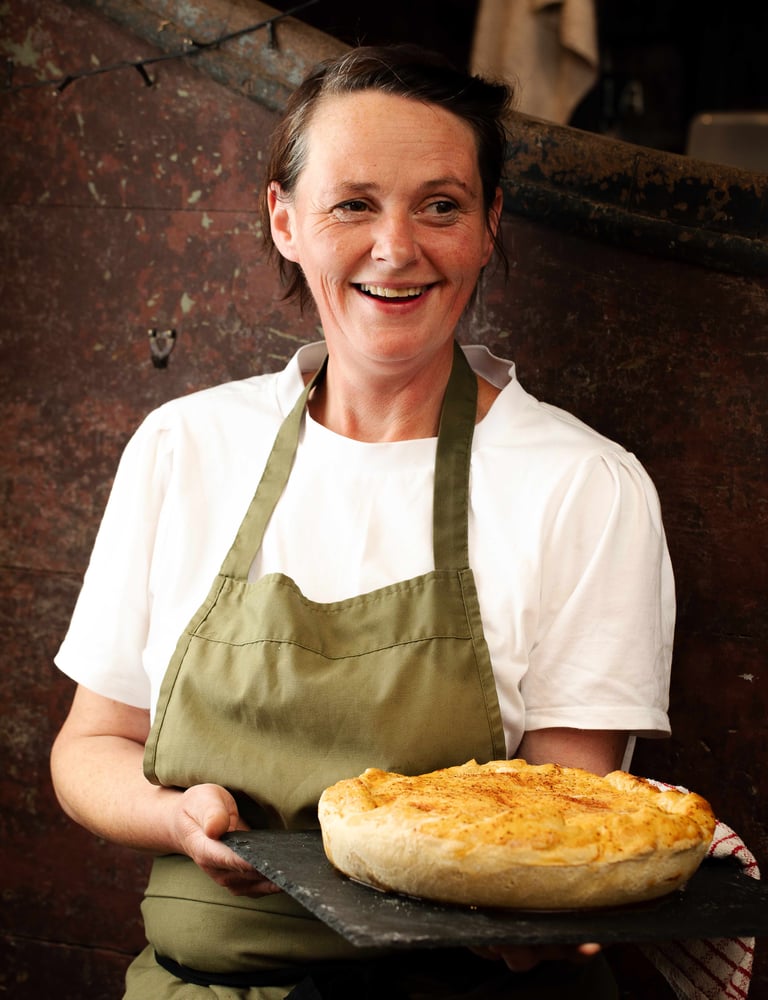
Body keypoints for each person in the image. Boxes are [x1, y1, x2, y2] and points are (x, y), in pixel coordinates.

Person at [50, 44, 674, 999]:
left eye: (441, 205)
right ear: (285, 219)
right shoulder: (185, 447)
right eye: (353, 204)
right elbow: (90, 745)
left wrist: (540, 926)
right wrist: (174, 817)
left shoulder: (583, 485)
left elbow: (568, 818)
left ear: (490, 225)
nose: (397, 248)